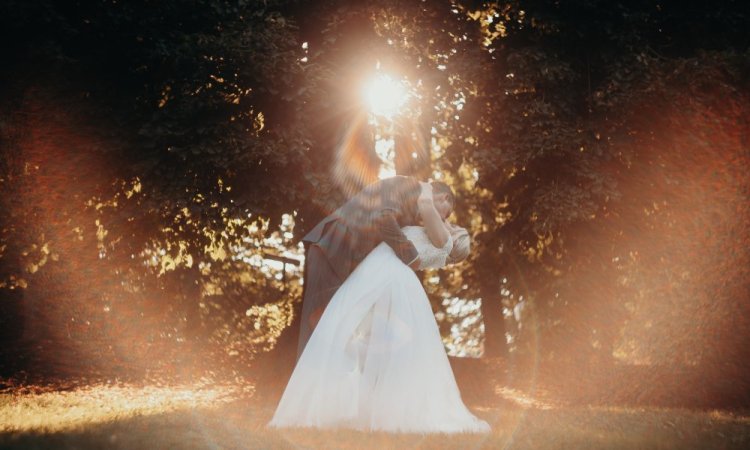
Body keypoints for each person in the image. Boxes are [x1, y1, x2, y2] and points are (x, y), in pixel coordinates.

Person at [268, 181, 490, 433]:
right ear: (444, 197)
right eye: (446, 213)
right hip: (358, 257)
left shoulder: (440, 234)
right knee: (343, 327)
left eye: (449, 219)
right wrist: (422, 187)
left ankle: (344, 399)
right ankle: (342, 397)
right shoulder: (419, 206)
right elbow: (392, 218)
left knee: (346, 328)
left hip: (384, 270)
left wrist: (424, 189)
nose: (445, 219)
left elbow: (423, 210)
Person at [296, 175, 453, 359]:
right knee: (322, 328)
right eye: (444, 214)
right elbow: (384, 218)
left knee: (340, 330)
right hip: (333, 249)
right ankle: (310, 384)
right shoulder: (407, 185)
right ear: (444, 198)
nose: (438, 220)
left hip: (348, 260)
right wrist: (412, 258)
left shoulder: (413, 206)